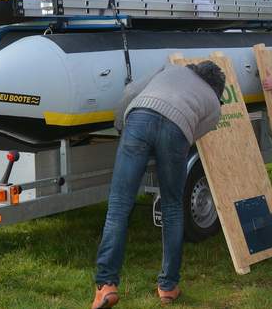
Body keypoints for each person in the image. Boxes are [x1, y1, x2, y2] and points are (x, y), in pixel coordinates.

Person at [91, 61, 225, 309]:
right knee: (173, 208)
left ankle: (106, 286)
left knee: (119, 206)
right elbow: (192, 135)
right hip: (178, 129)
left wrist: (121, 125)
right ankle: (168, 286)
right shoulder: (215, 105)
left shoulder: (170, 69)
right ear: (216, 89)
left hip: (139, 118)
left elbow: (131, 92)